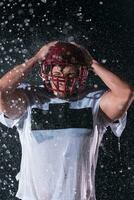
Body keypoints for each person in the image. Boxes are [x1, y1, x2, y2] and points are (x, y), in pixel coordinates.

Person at [0, 41, 133, 200]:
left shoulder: (94, 101)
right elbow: (1, 91)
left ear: (81, 74)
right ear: (46, 73)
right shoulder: (30, 98)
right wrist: (35, 59)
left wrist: (91, 62)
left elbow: (125, 93)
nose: (63, 80)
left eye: (70, 75)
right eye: (57, 75)